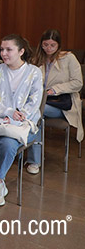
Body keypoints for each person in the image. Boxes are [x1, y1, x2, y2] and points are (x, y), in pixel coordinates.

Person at [0, 34, 43, 206]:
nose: (3, 53)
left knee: (7, 144)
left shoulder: (34, 72)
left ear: (21, 51)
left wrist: (16, 118)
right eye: (2, 49)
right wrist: (7, 112)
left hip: (24, 125)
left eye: (9, 49)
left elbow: (34, 103)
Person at [29, 29, 83, 174]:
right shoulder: (37, 59)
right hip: (42, 102)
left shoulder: (69, 58)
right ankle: (35, 159)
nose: (48, 48)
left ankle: (33, 159)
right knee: (36, 116)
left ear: (58, 45)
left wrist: (56, 89)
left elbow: (78, 83)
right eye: (45, 45)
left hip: (63, 105)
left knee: (35, 112)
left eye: (52, 45)